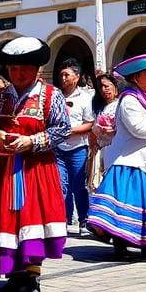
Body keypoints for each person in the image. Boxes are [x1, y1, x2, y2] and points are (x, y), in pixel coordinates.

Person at [0, 37, 70, 292]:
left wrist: (32, 142)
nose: (17, 74)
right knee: (5, 221)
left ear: (37, 70)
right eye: (12, 69)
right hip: (4, 169)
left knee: (33, 222)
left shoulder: (51, 95)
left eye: (23, 69)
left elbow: (62, 129)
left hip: (37, 169)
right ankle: (13, 275)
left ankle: (32, 279)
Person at [87, 51, 146, 260]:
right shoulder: (130, 100)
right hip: (131, 160)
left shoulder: (144, 99)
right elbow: (138, 128)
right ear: (135, 78)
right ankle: (121, 245)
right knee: (126, 205)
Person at [55, 58, 95, 234]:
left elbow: (90, 123)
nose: (63, 78)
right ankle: (62, 219)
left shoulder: (86, 98)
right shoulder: (55, 96)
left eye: (67, 75)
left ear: (76, 77)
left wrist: (71, 131)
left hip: (78, 148)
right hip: (57, 148)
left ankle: (84, 221)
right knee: (60, 185)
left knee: (79, 186)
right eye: (61, 75)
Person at [87, 73, 122, 191]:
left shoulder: (121, 105)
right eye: (100, 87)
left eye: (107, 86)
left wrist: (114, 130)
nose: (103, 90)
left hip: (117, 151)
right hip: (102, 151)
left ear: (115, 87)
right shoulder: (100, 108)